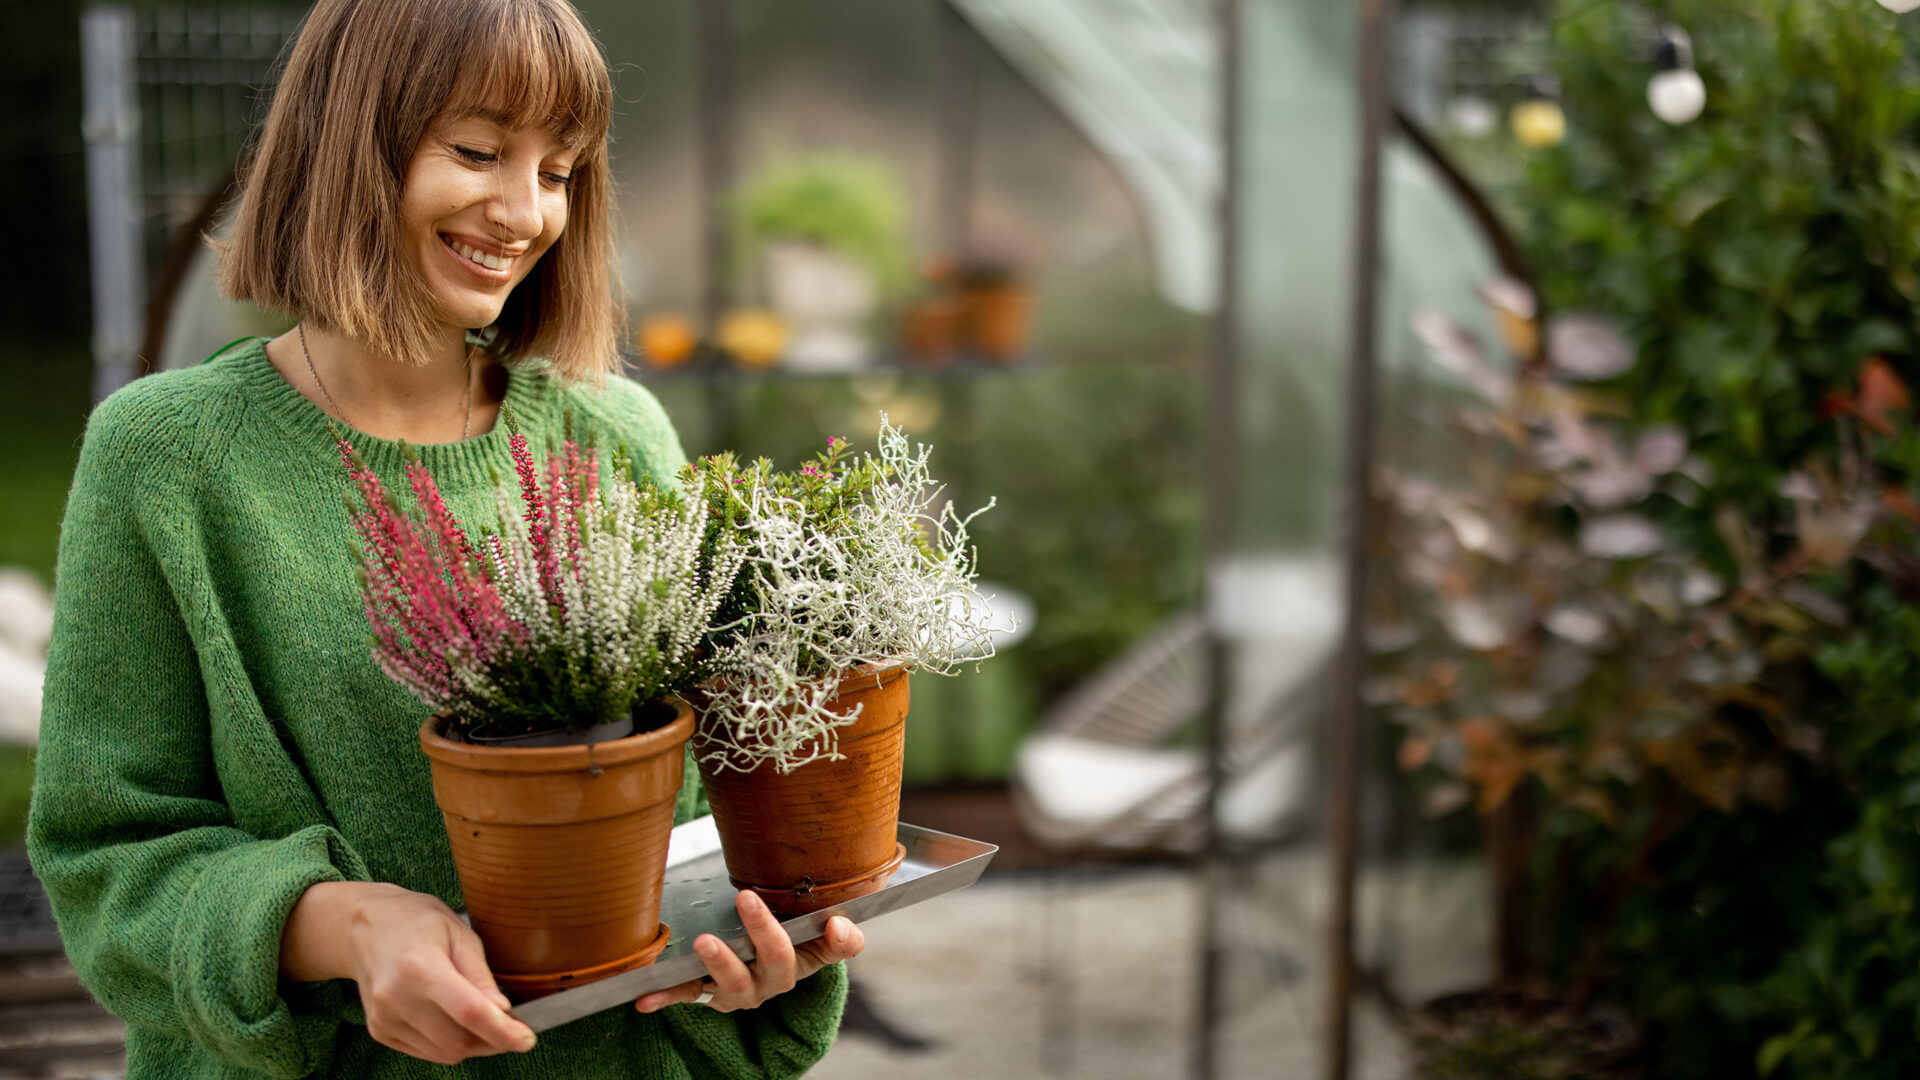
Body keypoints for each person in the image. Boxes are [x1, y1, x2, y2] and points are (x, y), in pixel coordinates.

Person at [27, 0, 864, 1075]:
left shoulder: (616, 436)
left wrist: (747, 936)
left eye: (559, 171)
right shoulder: (169, 457)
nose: (524, 211)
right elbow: (110, 859)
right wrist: (350, 925)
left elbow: (692, 807)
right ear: (350, 143)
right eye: (478, 151)